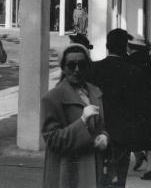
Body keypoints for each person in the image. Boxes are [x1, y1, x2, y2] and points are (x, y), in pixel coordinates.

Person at [41, 44, 108, 187]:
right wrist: (82, 121)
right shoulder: (53, 98)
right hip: (68, 172)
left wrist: (104, 136)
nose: (77, 70)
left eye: (82, 65)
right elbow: (52, 140)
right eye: (71, 65)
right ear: (63, 68)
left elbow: (102, 125)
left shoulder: (95, 92)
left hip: (93, 168)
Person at [92, 28, 144, 188]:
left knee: (97, 178)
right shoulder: (134, 72)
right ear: (125, 48)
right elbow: (138, 109)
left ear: (107, 45)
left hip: (97, 131)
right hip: (122, 135)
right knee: (118, 181)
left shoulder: (93, 69)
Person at [128, 34, 151, 181]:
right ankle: (150, 167)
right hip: (149, 100)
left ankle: (137, 153)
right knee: (149, 133)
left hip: (134, 101)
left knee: (130, 129)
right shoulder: (148, 60)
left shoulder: (129, 60)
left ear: (131, 47)